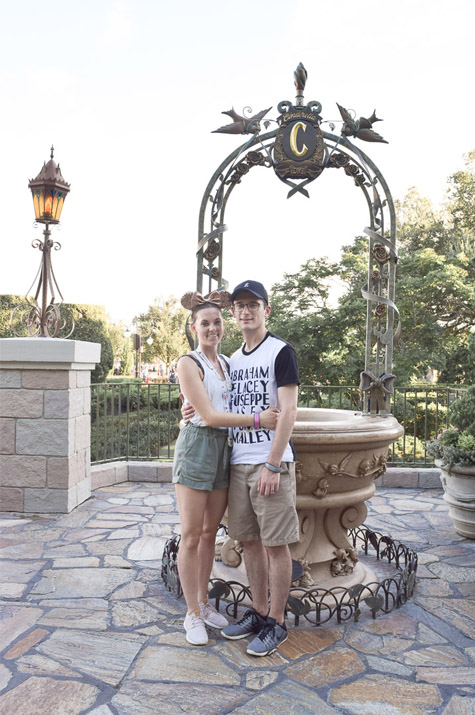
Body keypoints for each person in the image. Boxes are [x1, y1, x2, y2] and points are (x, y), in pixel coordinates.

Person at [183, 280, 300, 657]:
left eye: (254, 305)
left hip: (269, 464)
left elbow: (289, 412)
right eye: (240, 306)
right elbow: (211, 403)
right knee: (249, 542)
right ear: (234, 313)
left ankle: (277, 622)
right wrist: (187, 409)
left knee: (276, 545)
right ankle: (259, 611)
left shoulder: (281, 352)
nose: (246, 311)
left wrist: (273, 464)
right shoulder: (233, 359)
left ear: (267, 309)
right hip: (236, 464)